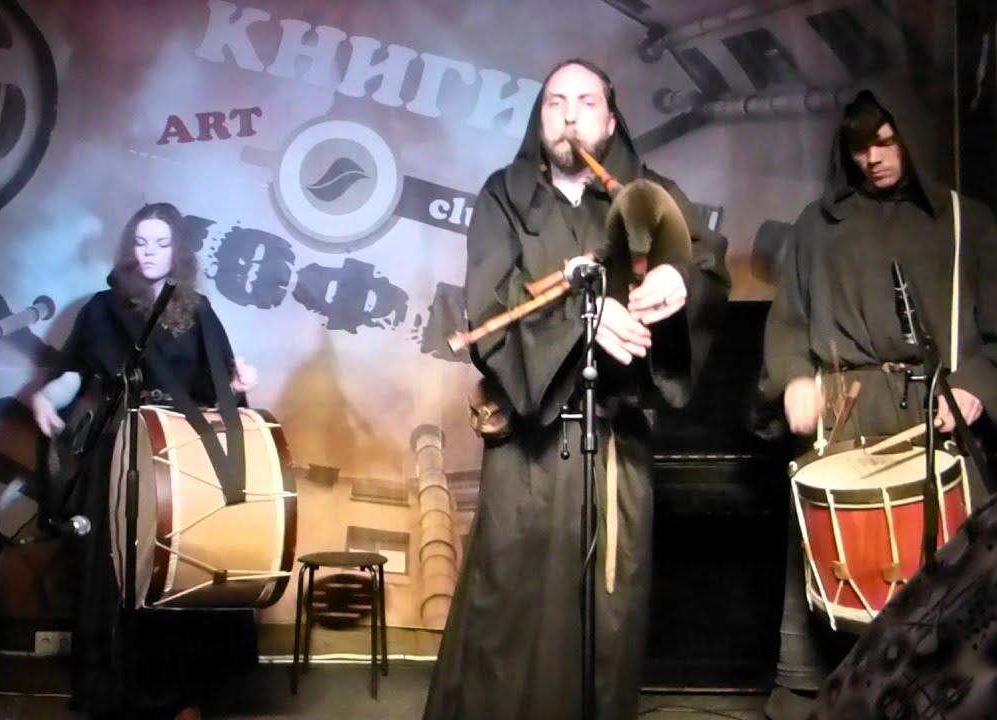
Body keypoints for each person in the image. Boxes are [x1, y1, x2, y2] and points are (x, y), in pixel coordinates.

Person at [422, 60, 729, 720]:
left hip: (616, 447)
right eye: (555, 102)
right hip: (527, 453)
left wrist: (679, 280)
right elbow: (490, 307)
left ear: (611, 121)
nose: (569, 115)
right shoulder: (504, 197)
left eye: (586, 102)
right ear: (539, 119)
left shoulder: (646, 196)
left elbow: (704, 262)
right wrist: (585, 321)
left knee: (606, 623)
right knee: (509, 618)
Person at [760, 90, 997, 719]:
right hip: (847, 418)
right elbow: (789, 325)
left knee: (952, 605)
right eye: (860, 146)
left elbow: (996, 333)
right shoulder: (817, 226)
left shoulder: (965, 221)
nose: (873, 158)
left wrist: (975, 385)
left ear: (911, 137)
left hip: (938, 416)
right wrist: (793, 378)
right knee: (836, 596)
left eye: (886, 141)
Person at [29, 201, 257, 720]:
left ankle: (183, 696)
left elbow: (220, 388)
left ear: (178, 252)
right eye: (141, 242)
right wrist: (45, 397)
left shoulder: (197, 310)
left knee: (175, 568)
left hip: (179, 453)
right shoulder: (100, 309)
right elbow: (74, 374)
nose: (149, 252)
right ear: (129, 248)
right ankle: (115, 695)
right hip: (116, 450)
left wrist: (239, 383)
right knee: (113, 573)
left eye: (161, 243)